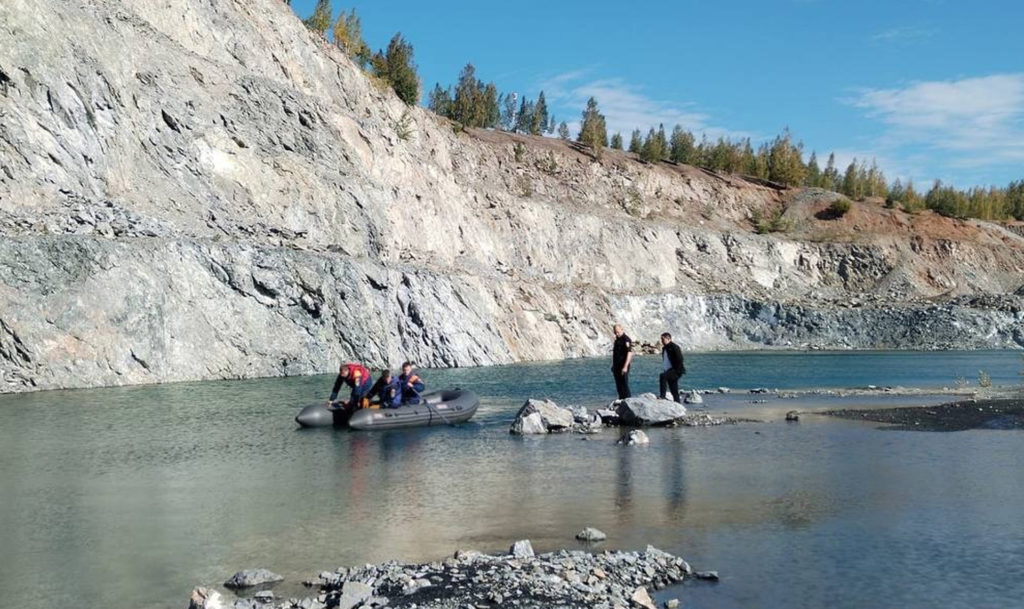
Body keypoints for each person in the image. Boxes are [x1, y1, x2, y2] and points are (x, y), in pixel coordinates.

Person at [658, 333, 686, 403]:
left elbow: (680, 359)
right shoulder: (664, 348)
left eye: (663, 339)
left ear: (669, 339)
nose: (662, 341)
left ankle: (662, 396)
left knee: (663, 376)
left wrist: (675, 370)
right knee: (674, 390)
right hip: (668, 370)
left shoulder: (674, 347)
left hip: (675, 370)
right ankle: (678, 404)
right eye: (661, 339)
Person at [611, 324, 634, 399]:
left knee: (624, 383)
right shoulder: (617, 340)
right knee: (618, 383)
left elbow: (629, 353)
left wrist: (625, 366)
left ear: (622, 329)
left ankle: (628, 399)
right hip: (616, 365)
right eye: (615, 332)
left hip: (623, 365)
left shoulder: (626, 339)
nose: (616, 334)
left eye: (618, 332)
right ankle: (621, 399)